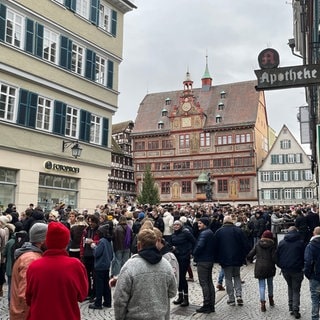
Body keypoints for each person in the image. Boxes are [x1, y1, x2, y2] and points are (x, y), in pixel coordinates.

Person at [25, 222, 88, 320]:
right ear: (66, 242)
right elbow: (82, 295)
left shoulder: (34, 266)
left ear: (47, 241)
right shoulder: (76, 265)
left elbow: (28, 299)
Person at [113, 228, 177, 320]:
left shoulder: (130, 266)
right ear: (155, 243)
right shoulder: (166, 265)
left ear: (139, 245)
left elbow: (119, 299)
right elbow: (172, 292)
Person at [10, 223, 48, 320]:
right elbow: (25, 295)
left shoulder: (30, 255)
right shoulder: (31, 260)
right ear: (42, 241)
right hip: (26, 315)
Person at [214, 215, 249, 306]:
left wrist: (217, 258)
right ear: (232, 221)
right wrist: (243, 256)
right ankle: (239, 295)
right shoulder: (238, 230)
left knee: (228, 278)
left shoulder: (219, 232)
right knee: (237, 276)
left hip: (225, 259)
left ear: (224, 222)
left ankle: (231, 298)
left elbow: (215, 247)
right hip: (237, 258)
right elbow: (245, 244)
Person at [277, 226, 305, 319]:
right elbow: (304, 256)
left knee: (290, 287)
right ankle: (295, 308)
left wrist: (281, 265)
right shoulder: (300, 243)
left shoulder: (282, 243)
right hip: (297, 269)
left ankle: (291, 307)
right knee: (296, 289)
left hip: (286, 269)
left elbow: (277, 256)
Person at [247, 230, 277, 312]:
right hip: (270, 267)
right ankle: (271, 300)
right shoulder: (272, 245)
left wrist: (249, 260)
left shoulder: (258, 244)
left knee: (261, 286)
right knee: (270, 284)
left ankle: (263, 303)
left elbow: (251, 254)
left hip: (260, 267)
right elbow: (274, 258)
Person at [193, 217, 215, 313]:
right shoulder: (209, 232)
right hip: (209, 260)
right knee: (209, 282)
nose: (198, 225)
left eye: (200, 223)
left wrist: (194, 253)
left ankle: (207, 304)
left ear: (205, 224)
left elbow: (200, 246)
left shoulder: (204, 233)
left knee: (204, 283)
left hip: (203, 260)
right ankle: (211, 304)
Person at [171, 219, 196, 307]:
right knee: (178, 277)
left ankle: (186, 298)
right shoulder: (173, 235)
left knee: (182, 277)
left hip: (184, 257)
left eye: (178, 225)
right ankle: (180, 296)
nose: (176, 226)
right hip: (176, 258)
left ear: (181, 225)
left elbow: (194, 242)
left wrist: (190, 252)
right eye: (175, 225)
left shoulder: (186, 233)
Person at [89, 225, 113, 310]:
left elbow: (96, 253)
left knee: (99, 285)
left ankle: (98, 303)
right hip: (106, 266)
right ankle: (108, 302)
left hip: (100, 266)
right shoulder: (108, 241)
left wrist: (93, 246)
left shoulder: (102, 241)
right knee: (106, 285)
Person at [80, 214, 100, 300]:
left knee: (95, 276)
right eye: (89, 221)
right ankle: (87, 292)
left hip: (94, 255)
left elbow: (101, 241)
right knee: (86, 275)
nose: (90, 223)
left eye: (92, 221)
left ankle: (94, 294)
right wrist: (81, 254)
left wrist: (94, 241)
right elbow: (82, 242)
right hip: (86, 254)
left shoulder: (99, 230)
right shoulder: (85, 230)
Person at [304, 226, 320, 320]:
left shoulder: (311, 246)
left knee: (315, 298)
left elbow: (308, 261)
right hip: (315, 274)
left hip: (315, 276)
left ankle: (315, 317)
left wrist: (308, 274)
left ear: (314, 233)